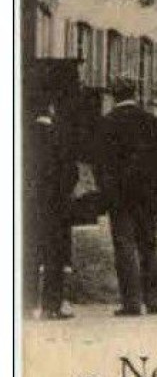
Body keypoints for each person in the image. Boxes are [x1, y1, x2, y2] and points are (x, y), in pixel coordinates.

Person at [95, 79, 157, 316]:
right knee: (149, 245)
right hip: (147, 195)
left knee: (125, 246)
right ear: (134, 93)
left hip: (120, 196)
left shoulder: (107, 123)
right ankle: (153, 300)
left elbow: (101, 163)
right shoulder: (151, 120)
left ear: (113, 95)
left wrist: (106, 192)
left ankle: (132, 303)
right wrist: (155, 188)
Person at [23, 64, 81, 320]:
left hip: (27, 203)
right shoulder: (59, 136)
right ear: (51, 109)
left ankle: (25, 304)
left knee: (28, 251)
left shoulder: (21, 137)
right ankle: (51, 306)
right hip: (55, 204)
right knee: (54, 255)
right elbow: (71, 173)